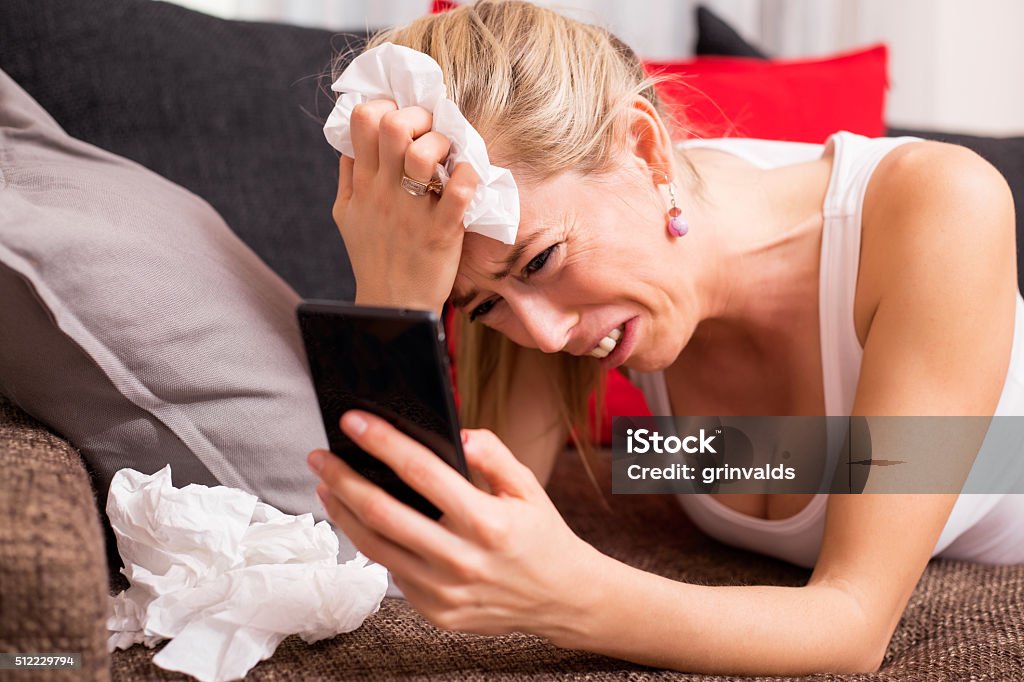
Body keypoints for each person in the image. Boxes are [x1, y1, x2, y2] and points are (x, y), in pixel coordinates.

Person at [305, 0, 1023, 675]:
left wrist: (572, 595)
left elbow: (854, 624)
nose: (545, 337)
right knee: (658, 458)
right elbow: (436, 542)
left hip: (1006, 474)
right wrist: (395, 299)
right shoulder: (516, 261)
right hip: (751, 459)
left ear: (645, 150)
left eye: (544, 262)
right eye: (481, 307)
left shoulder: (940, 205)